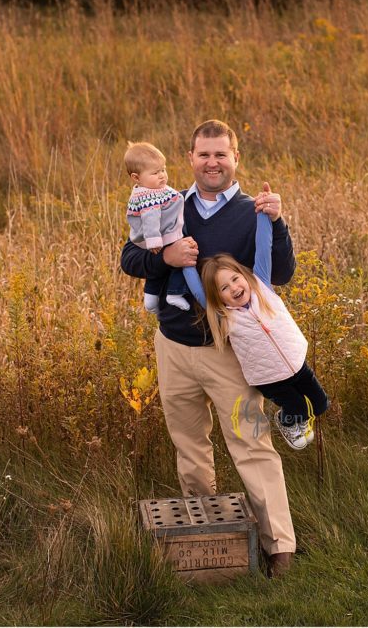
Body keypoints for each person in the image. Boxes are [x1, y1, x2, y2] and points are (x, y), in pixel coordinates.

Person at [120, 119, 297, 577]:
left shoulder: (253, 211)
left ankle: (279, 547)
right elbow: (129, 257)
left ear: (235, 157)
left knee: (252, 441)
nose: (212, 162)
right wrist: (165, 258)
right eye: (203, 154)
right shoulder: (168, 204)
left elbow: (280, 274)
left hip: (231, 352)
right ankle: (208, 538)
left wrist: (278, 223)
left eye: (221, 154)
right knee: (190, 444)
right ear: (190, 159)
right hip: (173, 346)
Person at [195, 214, 330, 451]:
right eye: (225, 288)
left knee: (320, 405)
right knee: (297, 407)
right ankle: (287, 421)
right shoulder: (224, 315)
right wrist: (186, 264)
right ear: (218, 297)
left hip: (296, 362)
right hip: (269, 379)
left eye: (236, 279)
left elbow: (263, 246)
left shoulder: (262, 287)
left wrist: (265, 215)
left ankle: (297, 419)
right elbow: (197, 289)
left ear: (244, 276)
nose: (235, 288)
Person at [123, 141, 203, 313]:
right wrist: (154, 242)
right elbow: (150, 219)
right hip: (156, 238)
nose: (162, 176)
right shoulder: (148, 196)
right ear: (136, 178)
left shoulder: (155, 191)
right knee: (182, 259)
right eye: (155, 172)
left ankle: (151, 295)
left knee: (172, 260)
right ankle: (173, 293)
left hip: (159, 236)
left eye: (163, 170)